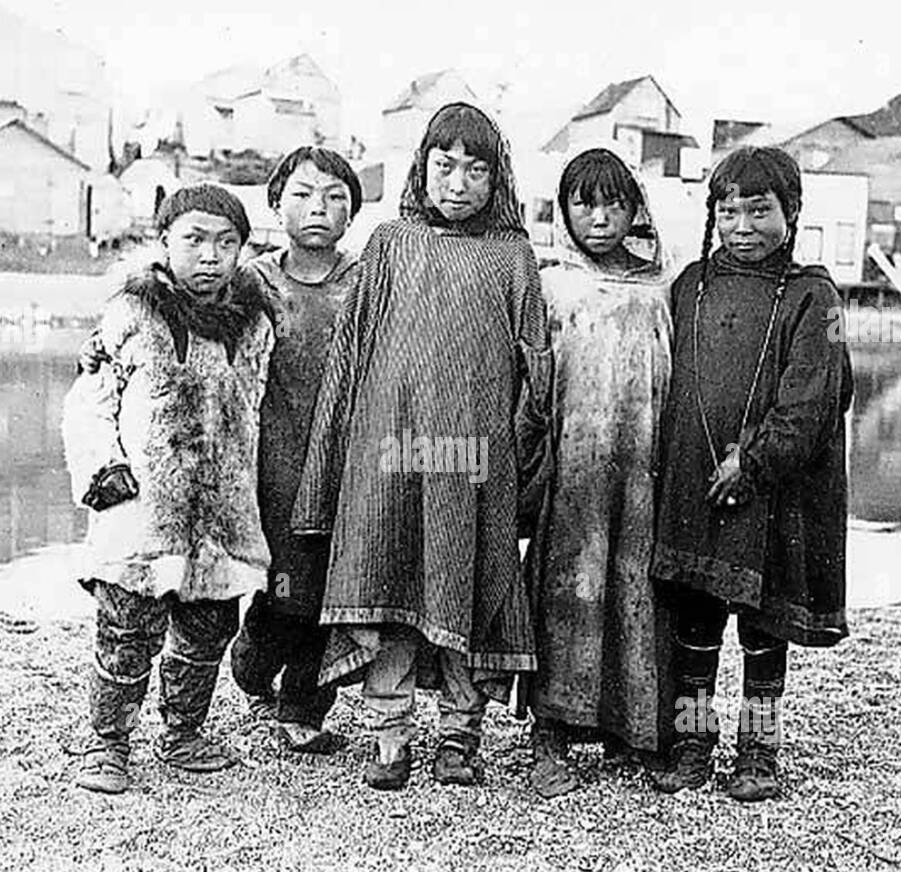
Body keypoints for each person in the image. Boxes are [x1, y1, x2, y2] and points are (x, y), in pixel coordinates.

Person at [290, 103, 549, 790]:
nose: (458, 182)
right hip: (391, 455)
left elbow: (537, 370)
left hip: (471, 462)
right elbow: (350, 355)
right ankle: (389, 737)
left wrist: (521, 461)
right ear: (420, 168)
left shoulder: (513, 257)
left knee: (465, 585)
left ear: (498, 179)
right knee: (391, 585)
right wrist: (333, 467)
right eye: (444, 165)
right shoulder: (390, 243)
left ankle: (461, 737)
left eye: (476, 169)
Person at [649, 146, 853, 802]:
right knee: (694, 626)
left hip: (774, 493)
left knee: (763, 633)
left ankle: (758, 751)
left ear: (791, 213)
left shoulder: (814, 295)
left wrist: (754, 461)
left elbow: (815, 396)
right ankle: (690, 740)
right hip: (696, 485)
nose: (741, 224)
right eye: (727, 209)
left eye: (759, 209)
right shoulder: (688, 286)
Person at [61, 184, 274, 794]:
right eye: (195, 240)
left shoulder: (255, 325)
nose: (210, 256)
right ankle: (108, 743)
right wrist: (101, 469)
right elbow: (89, 400)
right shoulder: (131, 314)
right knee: (126, 632)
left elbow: (262, 405)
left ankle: (181, 731)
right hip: (142, 509)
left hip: (225, 512)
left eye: (226, 243)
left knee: (208, 630)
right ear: (164, 243)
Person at [520, 148, 675, 798]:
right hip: (574, 478)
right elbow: (531, 388)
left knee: (636, 589)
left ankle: (629, 725)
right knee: (567, 591)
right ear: (565, 209)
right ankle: (550, 734)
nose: (601, 217)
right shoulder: (554, 286)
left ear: (636, 208)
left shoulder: (660, 290)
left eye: (615, 202)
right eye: (585, 203)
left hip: (643, 474)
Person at [227, 146, 363, 753]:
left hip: (342, 465)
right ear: (277, 202)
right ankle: (253, 659)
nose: (319, 209)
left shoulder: (363, 283)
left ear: (352, 213)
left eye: (336, 197)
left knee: (325, 592)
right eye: (305, 194)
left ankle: (304, 707)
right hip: (270, 465)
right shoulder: (253, 281)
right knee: (284, 589)